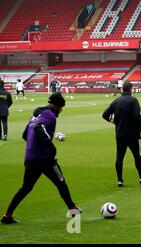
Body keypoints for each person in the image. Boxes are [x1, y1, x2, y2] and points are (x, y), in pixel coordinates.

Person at [1, 93, 81, 224]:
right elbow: (39, 127)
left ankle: (7, 215)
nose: (61, 110)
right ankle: (73, 210)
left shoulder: (35, 116)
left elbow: (25, 135)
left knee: (26, 188)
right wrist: (49, 145)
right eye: (61, 107)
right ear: (56, 106)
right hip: (45, 159)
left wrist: (34, 146)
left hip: (31, 158)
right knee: (61, 182)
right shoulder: (50, 115)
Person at [102, 81, 141, 187]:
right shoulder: (133, 100)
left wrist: (113, 122)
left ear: (122, 89)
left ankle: (120, 180)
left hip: (120, 134)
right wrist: (140, 128)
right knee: (138, 156)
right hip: (133, 134)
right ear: (130, 89)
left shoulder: (116, 101)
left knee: (119, 156)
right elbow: (137, 116)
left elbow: (105, 114)